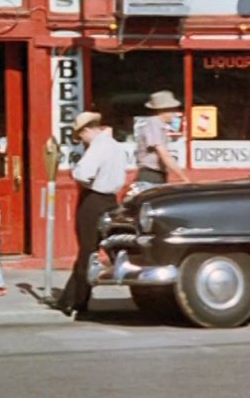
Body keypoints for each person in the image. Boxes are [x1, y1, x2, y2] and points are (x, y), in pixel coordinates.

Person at [50, 112, 127, 318]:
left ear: (86, 130)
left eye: (80, 135)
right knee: (102, 248)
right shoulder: (115, 146)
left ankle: (76, 301)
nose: (81, 139)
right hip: (111, 199)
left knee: (87, 250)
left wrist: (76, 172)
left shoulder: (97, 148)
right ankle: (71, 297)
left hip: (93, 199)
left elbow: (83, 174)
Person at [135, 90, 191, 184]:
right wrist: (184, 178)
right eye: (173, 110)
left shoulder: (159, 125)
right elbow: (164, 155)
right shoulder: (154, 124)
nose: (175, 113)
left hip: (156, 173)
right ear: (163, 110)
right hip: (150, 174)